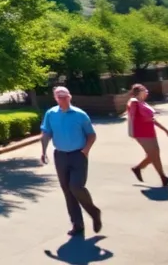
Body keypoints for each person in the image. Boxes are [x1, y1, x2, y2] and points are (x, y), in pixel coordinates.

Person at [40, 86, 102, 237]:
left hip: (78, 155)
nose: (63, 99)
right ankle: (77, 224)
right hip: (60, 156)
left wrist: (86, 150)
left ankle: (93, 212)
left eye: (65, 96)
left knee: (76, 186)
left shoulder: (80, 115)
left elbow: (91, 135)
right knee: (67, 191)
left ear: (70, 97)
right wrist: (43, 151)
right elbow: (46, 132)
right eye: (59, 96)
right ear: (55, 98)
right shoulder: (51, 113)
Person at [127, 84, 168, 187]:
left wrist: (165, 129)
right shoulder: (134, 102)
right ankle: (163, 177)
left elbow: (151, 119)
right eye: (145, 91)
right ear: (140, 91)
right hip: (141, 133)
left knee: (154, 154)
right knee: (154, 155)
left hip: (150, 131)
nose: (147, 93)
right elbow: (132, 118)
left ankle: (138, 168)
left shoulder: (142, 102)